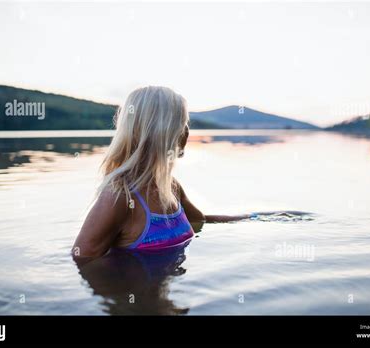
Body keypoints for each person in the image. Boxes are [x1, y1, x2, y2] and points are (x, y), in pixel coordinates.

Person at [73, 86, 252, 259]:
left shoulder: (171, 187)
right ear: (166, 132)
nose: (187, 131)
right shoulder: (120, 196)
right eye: (182, 124)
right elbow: (82, 259)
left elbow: (201, 220)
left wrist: (250, 217)